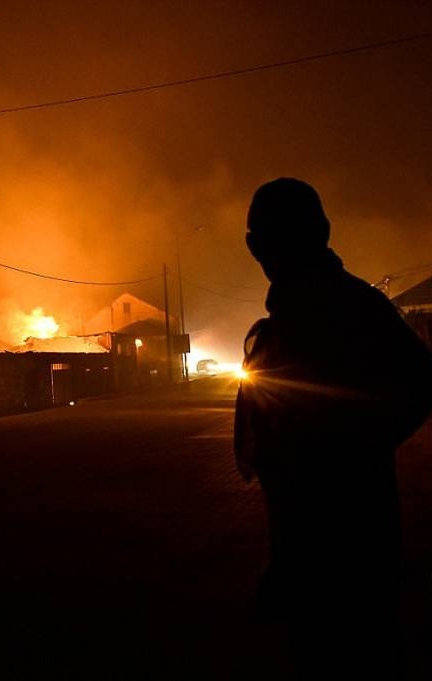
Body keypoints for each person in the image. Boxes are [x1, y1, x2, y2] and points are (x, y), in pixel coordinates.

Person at [233, 178, 432, 678]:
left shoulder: (348, 307)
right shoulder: (292, 318)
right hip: (321, 547)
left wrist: (346, 451)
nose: (265, 248)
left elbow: (420, 384)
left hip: (349, 548)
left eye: (273, 235)